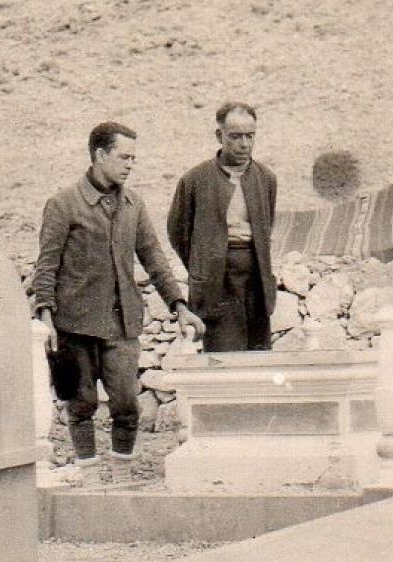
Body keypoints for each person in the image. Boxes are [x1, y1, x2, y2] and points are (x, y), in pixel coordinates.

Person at [31, 121, 204, 469]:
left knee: (127, 404)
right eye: (124, 157)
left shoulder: (133, 205)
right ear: (99, 155)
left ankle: (122, 471)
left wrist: (179, 305)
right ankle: (88, 473)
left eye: (133, 158)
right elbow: (46, 267)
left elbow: (153, 257)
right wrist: (46, 319)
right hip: (75, 326)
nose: (130, 164)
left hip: (123, 324)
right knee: (81, 405)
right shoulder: (63, 204)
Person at [167, 102, 278, 351]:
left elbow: (266, 227)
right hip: (217, 286)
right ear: (220, 136)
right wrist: (205, 265)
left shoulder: (266, 178)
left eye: (250, 136)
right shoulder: (195, 180)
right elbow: (178, 233)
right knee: (223, 362)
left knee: (259, 361)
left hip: (256, 282)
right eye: (235, 136)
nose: (244, 144)